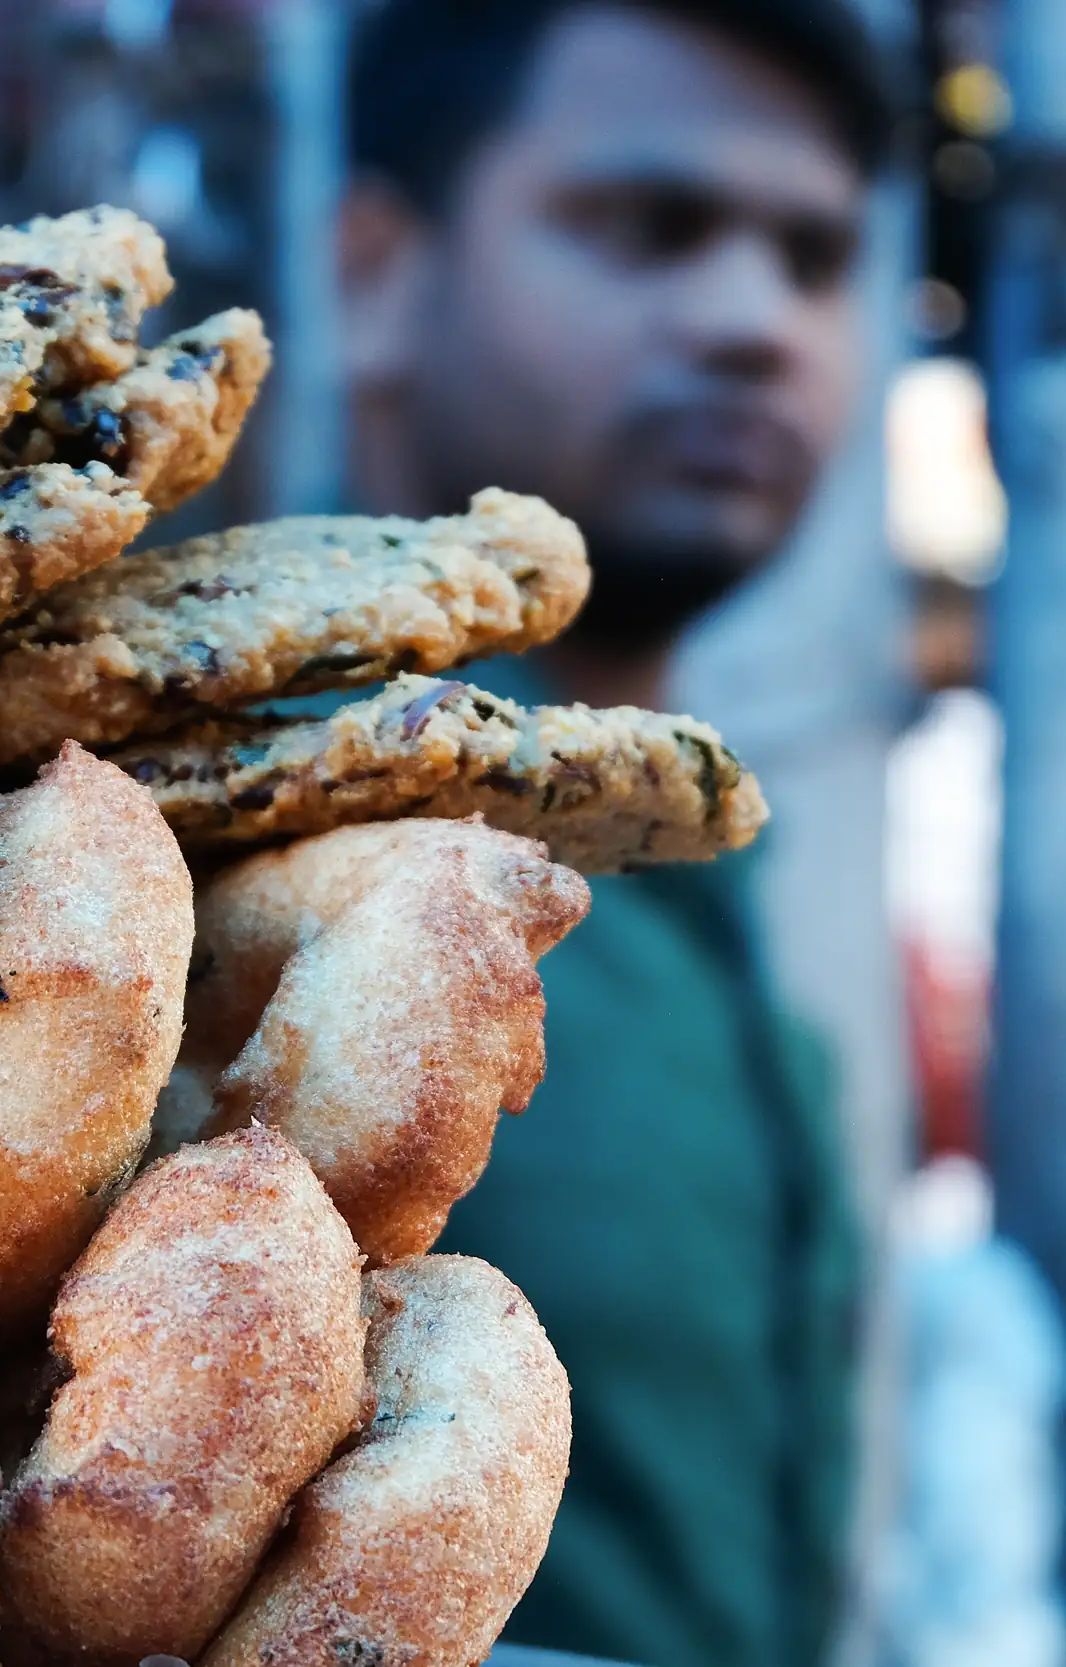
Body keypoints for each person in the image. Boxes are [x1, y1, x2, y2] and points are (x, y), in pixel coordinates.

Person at [339, 4, 890, 1663]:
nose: (751, 320)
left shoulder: (711, 876)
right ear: (376, 269)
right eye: (650, 228)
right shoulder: (276, 824)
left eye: (814, 258)